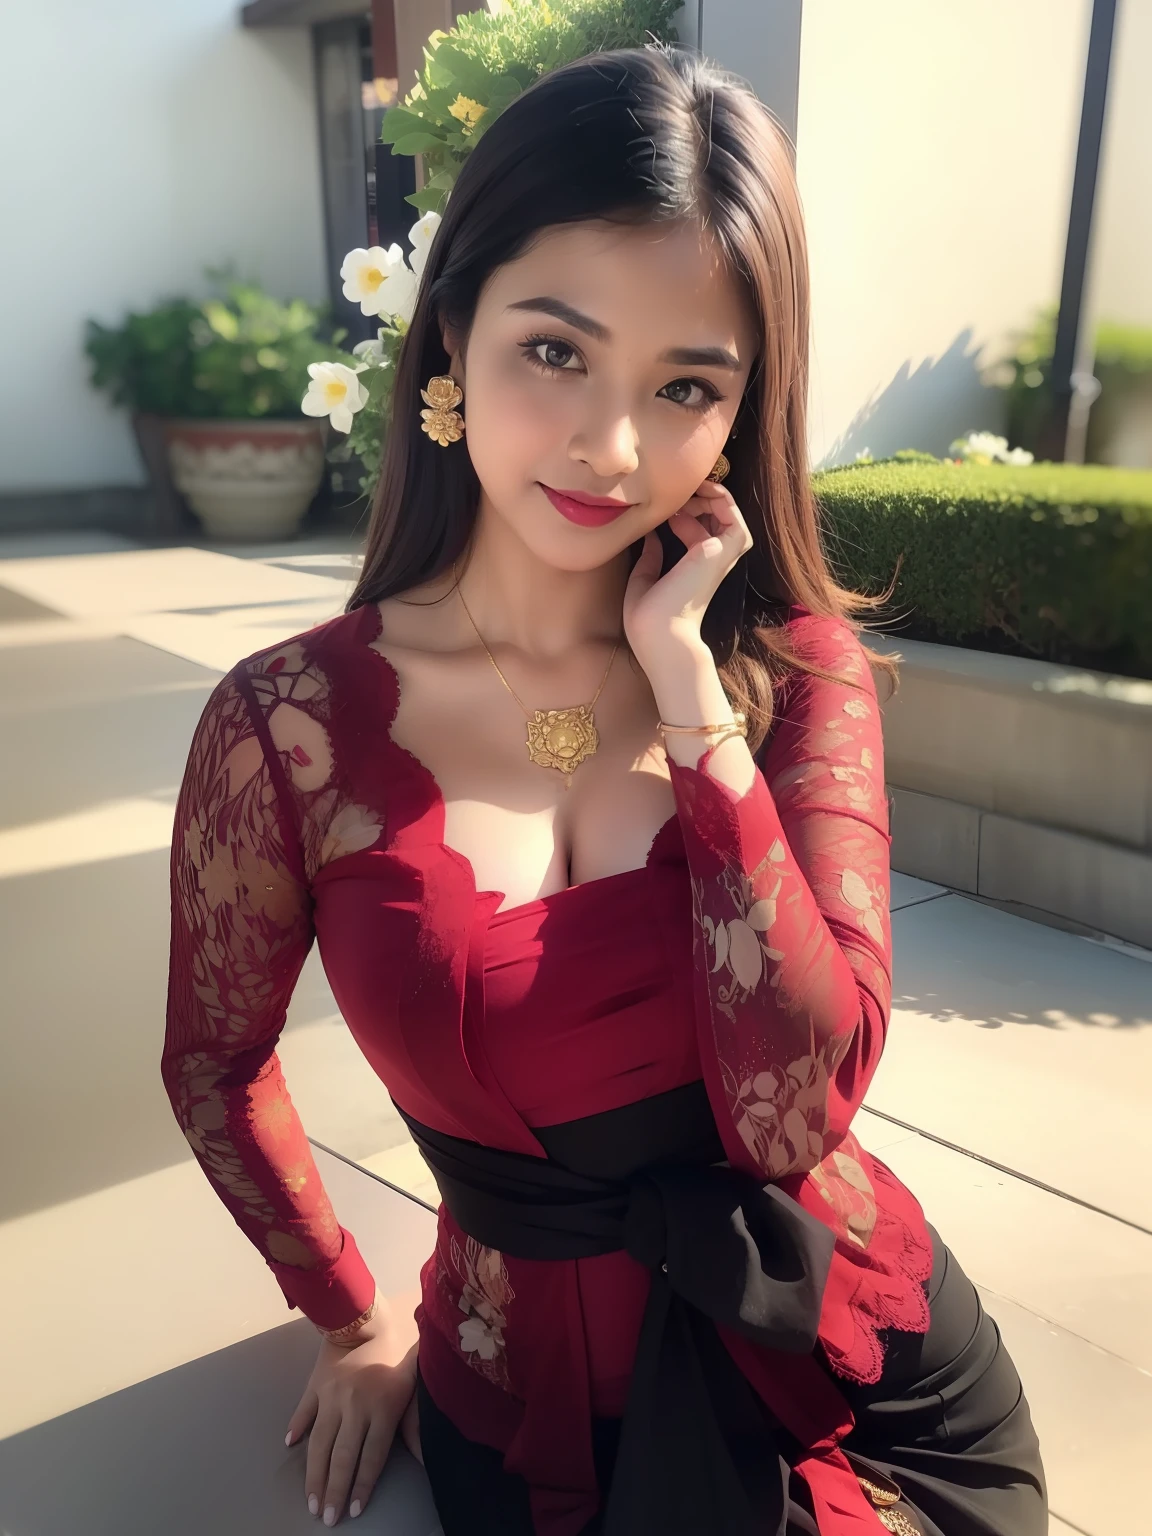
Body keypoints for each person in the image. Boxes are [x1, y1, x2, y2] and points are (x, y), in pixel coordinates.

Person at [162, 44, 1046, 1536]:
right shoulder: (289, 729)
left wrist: (694, 707)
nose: (612, 448)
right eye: (556, 351)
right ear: (451, 332)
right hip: (528, 1410)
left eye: (684, 384)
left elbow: (794, 1115)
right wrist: (347, 1313)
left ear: (741, 406)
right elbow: (214, 1066)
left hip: (862, 1360)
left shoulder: (791, 676)